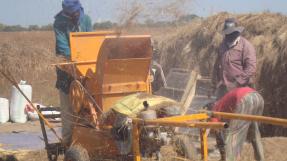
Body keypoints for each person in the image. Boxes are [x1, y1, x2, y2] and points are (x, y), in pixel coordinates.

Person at [53, 0, 92, 146]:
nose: (77, 16)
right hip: (66, 70)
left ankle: (87, 142)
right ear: (67, 13)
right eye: (73, 14)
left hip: (86, 70)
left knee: (86, 110)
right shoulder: (59, 23)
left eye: (78, 12)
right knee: (68, 110)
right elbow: (63, 49)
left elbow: (91, 43)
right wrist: (75, 66)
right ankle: (68, 144)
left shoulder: (86, 19)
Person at [210, 87, 264, 161]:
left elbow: (216, 129)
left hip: (245, 99)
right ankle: (261, 158)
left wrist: (221, 147)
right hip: (257, 98)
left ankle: (230, 159)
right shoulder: (224, 105)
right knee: (254, 133)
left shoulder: (214, 110)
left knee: (234, 134)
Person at [212, 18, 256, 99]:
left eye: (230, 33)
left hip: (241, 89)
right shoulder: (222, 45)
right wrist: (215, 82)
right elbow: (217, 64)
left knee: (237, 110)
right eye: (227, 33)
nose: (228, 36)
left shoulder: (246, 46)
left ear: (237, 32)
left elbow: (251, 68)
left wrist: (237, 83)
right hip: (223, 88)